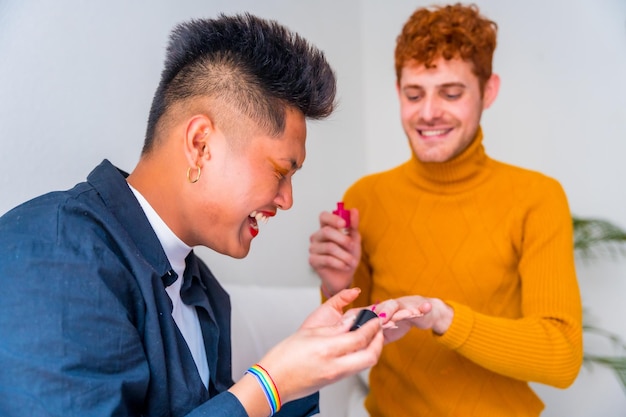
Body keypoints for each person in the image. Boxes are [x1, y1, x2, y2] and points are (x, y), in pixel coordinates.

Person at [0, 13, 411, 417]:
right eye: (281, 171)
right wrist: (269, 384)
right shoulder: (55, 253)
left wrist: (313, 358)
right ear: (200, 144)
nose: (287, 200)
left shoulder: (204, 292)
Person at [309, 3, 583, 416]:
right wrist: (335, 287)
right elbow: (343, 344)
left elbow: (560, 356)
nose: (429, 112)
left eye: (451, 93)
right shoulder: (365, 198)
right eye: (413, 94)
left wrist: (443, 317)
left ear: (488, 91)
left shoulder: (538, 198)